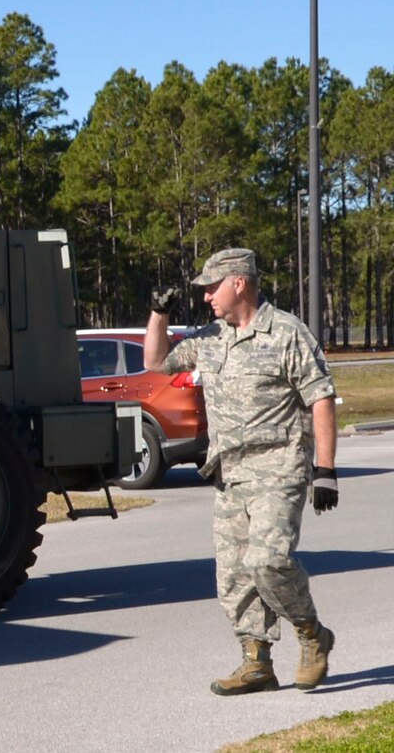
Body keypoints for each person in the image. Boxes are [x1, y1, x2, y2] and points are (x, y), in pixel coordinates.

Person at [144, 247, 339, 696]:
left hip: (278, 466)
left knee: (268, 561)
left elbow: (321, 398)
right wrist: (158, 313)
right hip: (229, 472)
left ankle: (311, 634)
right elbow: (155, 362)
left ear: (239, 282)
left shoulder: (288, 333)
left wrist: (325, 469)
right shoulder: (211, 337)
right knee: (234, 575)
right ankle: (257, 663)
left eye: (212, 286)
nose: (207, 295)